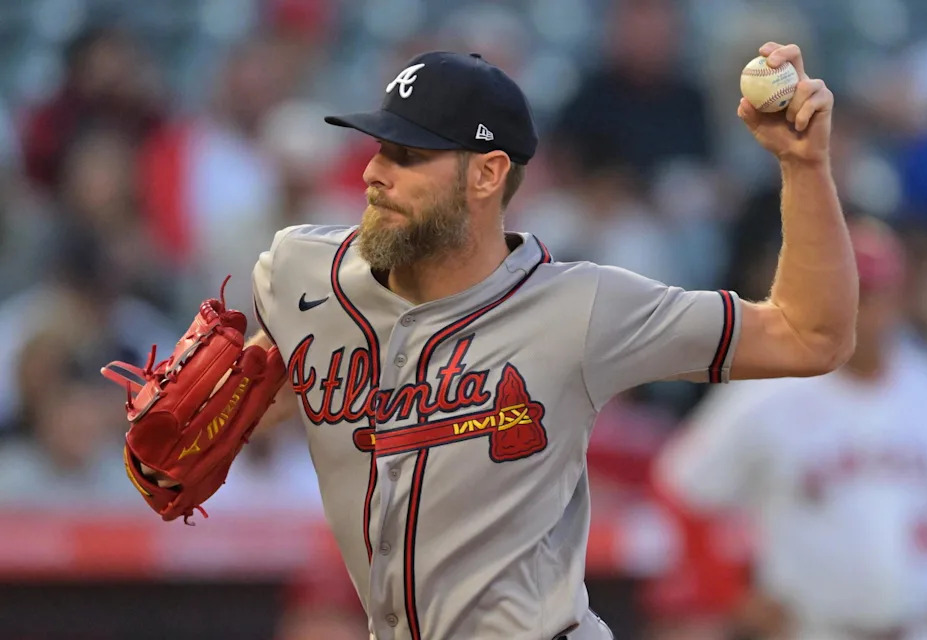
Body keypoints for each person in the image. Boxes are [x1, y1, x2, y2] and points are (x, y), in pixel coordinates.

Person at [145, 42, 855, 639]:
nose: (372, 172)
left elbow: (806, 336)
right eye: (376, 146)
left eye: (407, 154)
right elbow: (218, 425)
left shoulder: (582, 307)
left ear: (486, 173)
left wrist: (803, 167)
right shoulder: (301, 274)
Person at [656, 218, 927, 640]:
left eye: (871, 294)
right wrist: (730, 594)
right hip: (814, 628)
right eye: (845, 294)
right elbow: (681, 487)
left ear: (898, 297)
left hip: (921, 628)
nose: (858, 310)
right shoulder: (767, 392)